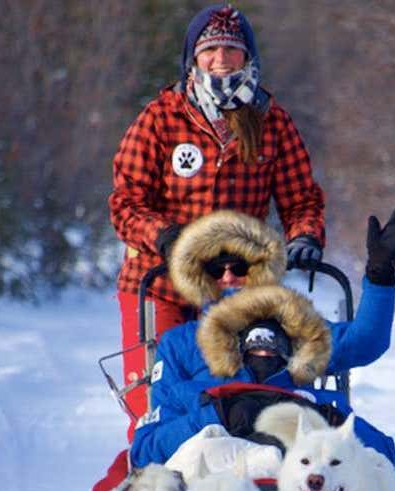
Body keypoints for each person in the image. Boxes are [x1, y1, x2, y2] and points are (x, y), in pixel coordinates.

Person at [110, 4, 327, 441]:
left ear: (249, 59)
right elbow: (125, 202)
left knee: (237, 394)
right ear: (193, 58)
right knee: (161, 398)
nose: (222, 59)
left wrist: (304, 237)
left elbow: (302, 199)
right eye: (211, 50)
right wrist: (163, 236)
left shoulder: (270, 121)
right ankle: (155, 480)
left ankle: (235, 486)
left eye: (232, 49)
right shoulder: (161, 118)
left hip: (236, 287)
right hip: (162, 283)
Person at [126, 203, 395, 476]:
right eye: (216, 270)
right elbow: (149, 449)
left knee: (374, 462)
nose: (229, 278)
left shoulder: (296, 326)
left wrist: (380, 272)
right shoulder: (180, 343)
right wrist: (221, 414)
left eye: (240, 267)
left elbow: (365, 342)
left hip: (295, 452)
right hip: (211, 470)